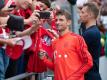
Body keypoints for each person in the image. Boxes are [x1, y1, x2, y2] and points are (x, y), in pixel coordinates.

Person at [38, 9, 93, 80]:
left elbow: (88, 62)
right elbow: (56, 67)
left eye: (61, 20)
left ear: (68, 22)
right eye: (56, 20)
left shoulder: (77, 38)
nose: (57, 22)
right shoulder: (54, 42)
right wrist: (44, 59)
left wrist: (72, 78)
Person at [79, 2, 102, 80]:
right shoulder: (91, 31)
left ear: (90, 15)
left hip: (90, 76)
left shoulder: (90, 33)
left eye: (82, 12)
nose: (80, 14)